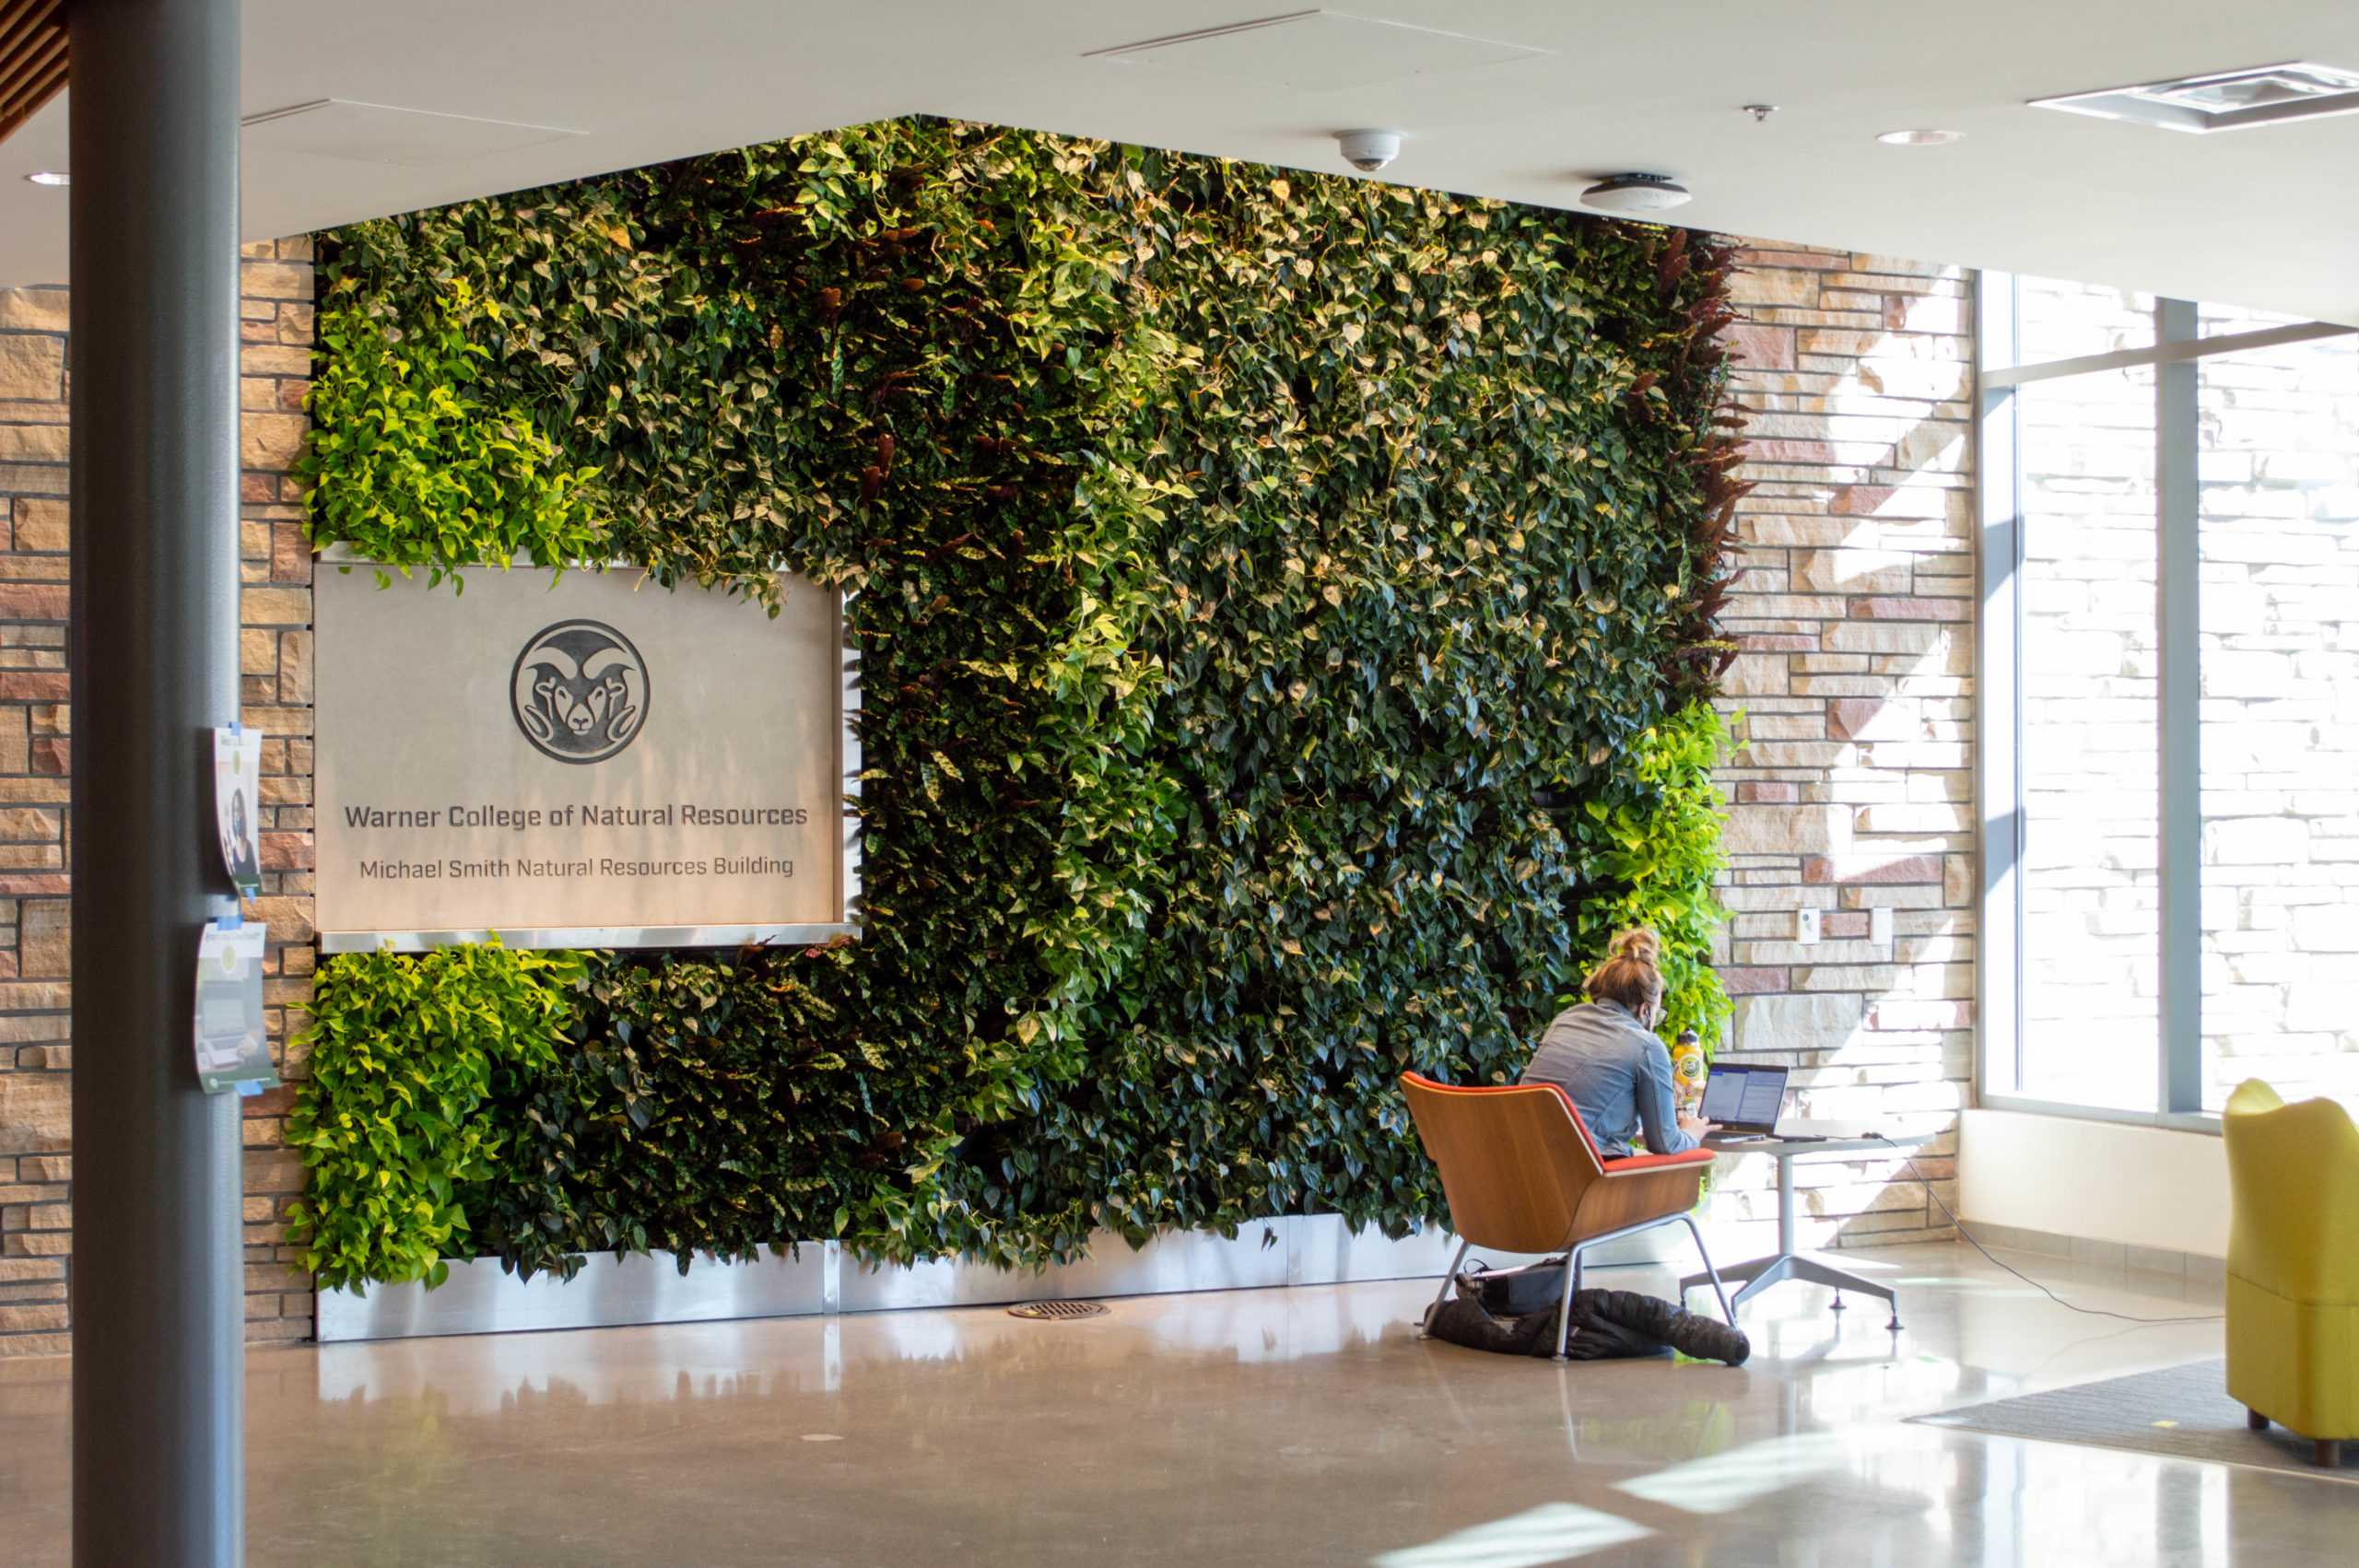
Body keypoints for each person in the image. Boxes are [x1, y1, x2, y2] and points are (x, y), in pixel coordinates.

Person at [1520, 928, 1714, 1157]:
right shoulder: (1646, 1046)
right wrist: (1692, 1133)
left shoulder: (1565, 1020)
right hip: (1577, 1172)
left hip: (1523, 1162)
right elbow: (1665, 1143)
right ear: (1644, 1010)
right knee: (1689, 1160)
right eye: (1657, 1015)